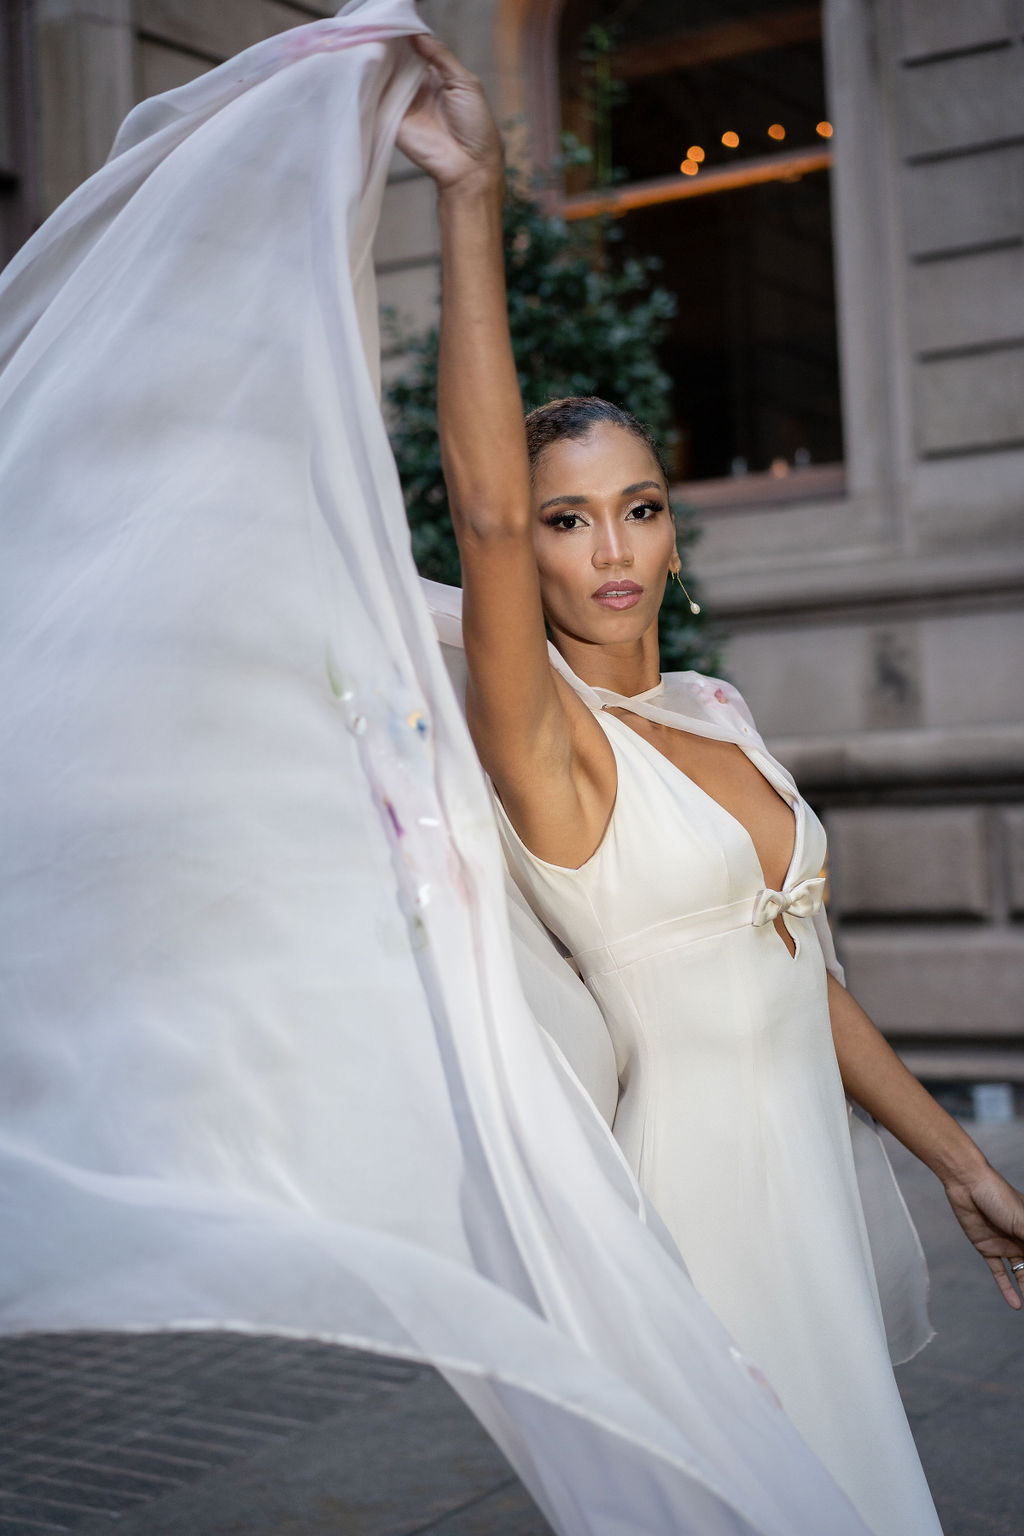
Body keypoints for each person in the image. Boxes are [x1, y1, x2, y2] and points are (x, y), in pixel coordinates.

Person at [397, 31, 1024, 1536]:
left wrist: (959, 1165)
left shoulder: (717, 713)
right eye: (565, 521)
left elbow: (803, 973)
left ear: (674, 533)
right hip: (692, 1236)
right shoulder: (541, 744)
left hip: (811, 1198)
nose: (608, 550)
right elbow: (473, 510)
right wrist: (474, 197)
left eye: (639, 509)